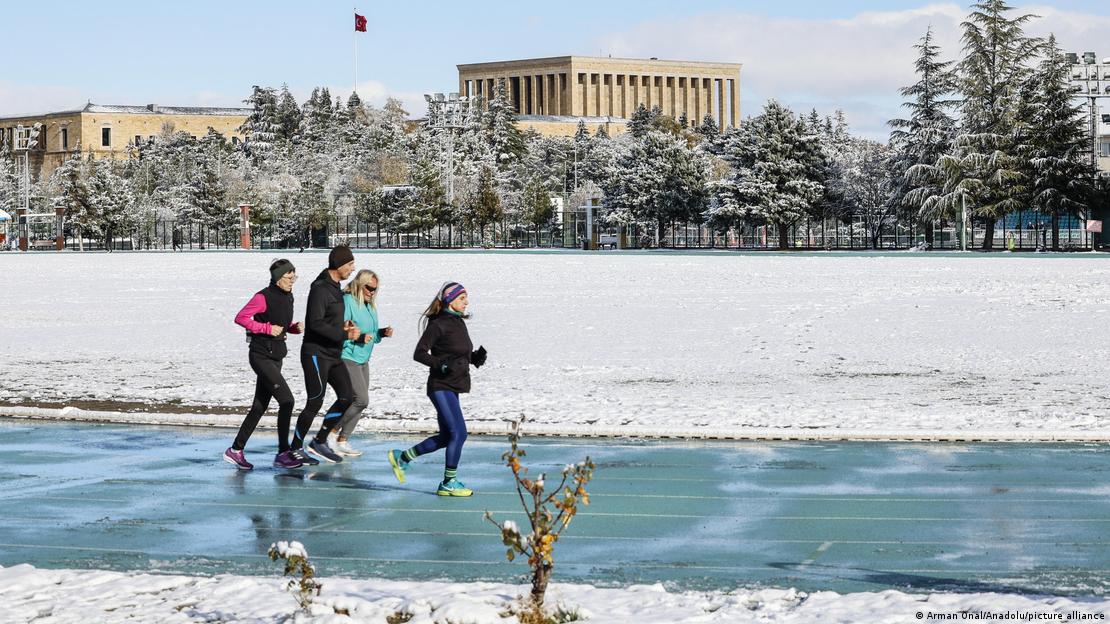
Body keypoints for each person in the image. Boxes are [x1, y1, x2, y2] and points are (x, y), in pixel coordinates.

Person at [388, 282, 487, 497]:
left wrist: (474, 358)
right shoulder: (438, 324)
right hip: (440, 386)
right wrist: (439, 365)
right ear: (450, 300)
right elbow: (420, 353)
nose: (466, 302)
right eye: (462, 298)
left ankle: (402, 458)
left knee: (446, 437)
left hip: (454, 386)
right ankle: (449, 482)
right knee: (459, 434)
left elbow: (457, 352)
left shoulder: (459, 323)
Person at [224, 259, 304, 470]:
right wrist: (266, 329)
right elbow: (241, 318)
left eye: (294, 276)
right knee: (287, 400)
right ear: (278, 277)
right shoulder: (262, 297)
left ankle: (235, 450)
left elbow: (282, 325)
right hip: (261, 356)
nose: (292, 280)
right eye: (288, 276)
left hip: (276, 355)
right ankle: (283, 453)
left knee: (260, 406)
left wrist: (293, 328)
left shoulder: (288, 297)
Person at [290, 245, 359, 464]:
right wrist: (343, 333)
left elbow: (329, 318)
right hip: (315, 354)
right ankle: (293, 449)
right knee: (315, 401)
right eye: (349, 264)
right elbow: (314, 323)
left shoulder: (335, 287)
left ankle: (319, 441)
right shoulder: (320, 288)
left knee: (348, 396)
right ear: (338, 265)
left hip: (333, 353)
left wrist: (343, 325)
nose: (352, 268)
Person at [332, 269, 393, 457]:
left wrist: (381, 333)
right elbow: (340, 331)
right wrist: (357, 339)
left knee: (360, 402)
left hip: (363, 359)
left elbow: (370, 334)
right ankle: (329, 433)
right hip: (347, 356)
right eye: (369, 288)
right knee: (361, 399)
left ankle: (342, 440)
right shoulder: (348, 301)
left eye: (375, 289)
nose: (372, 292)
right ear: (360, 284)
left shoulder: (370, 306)